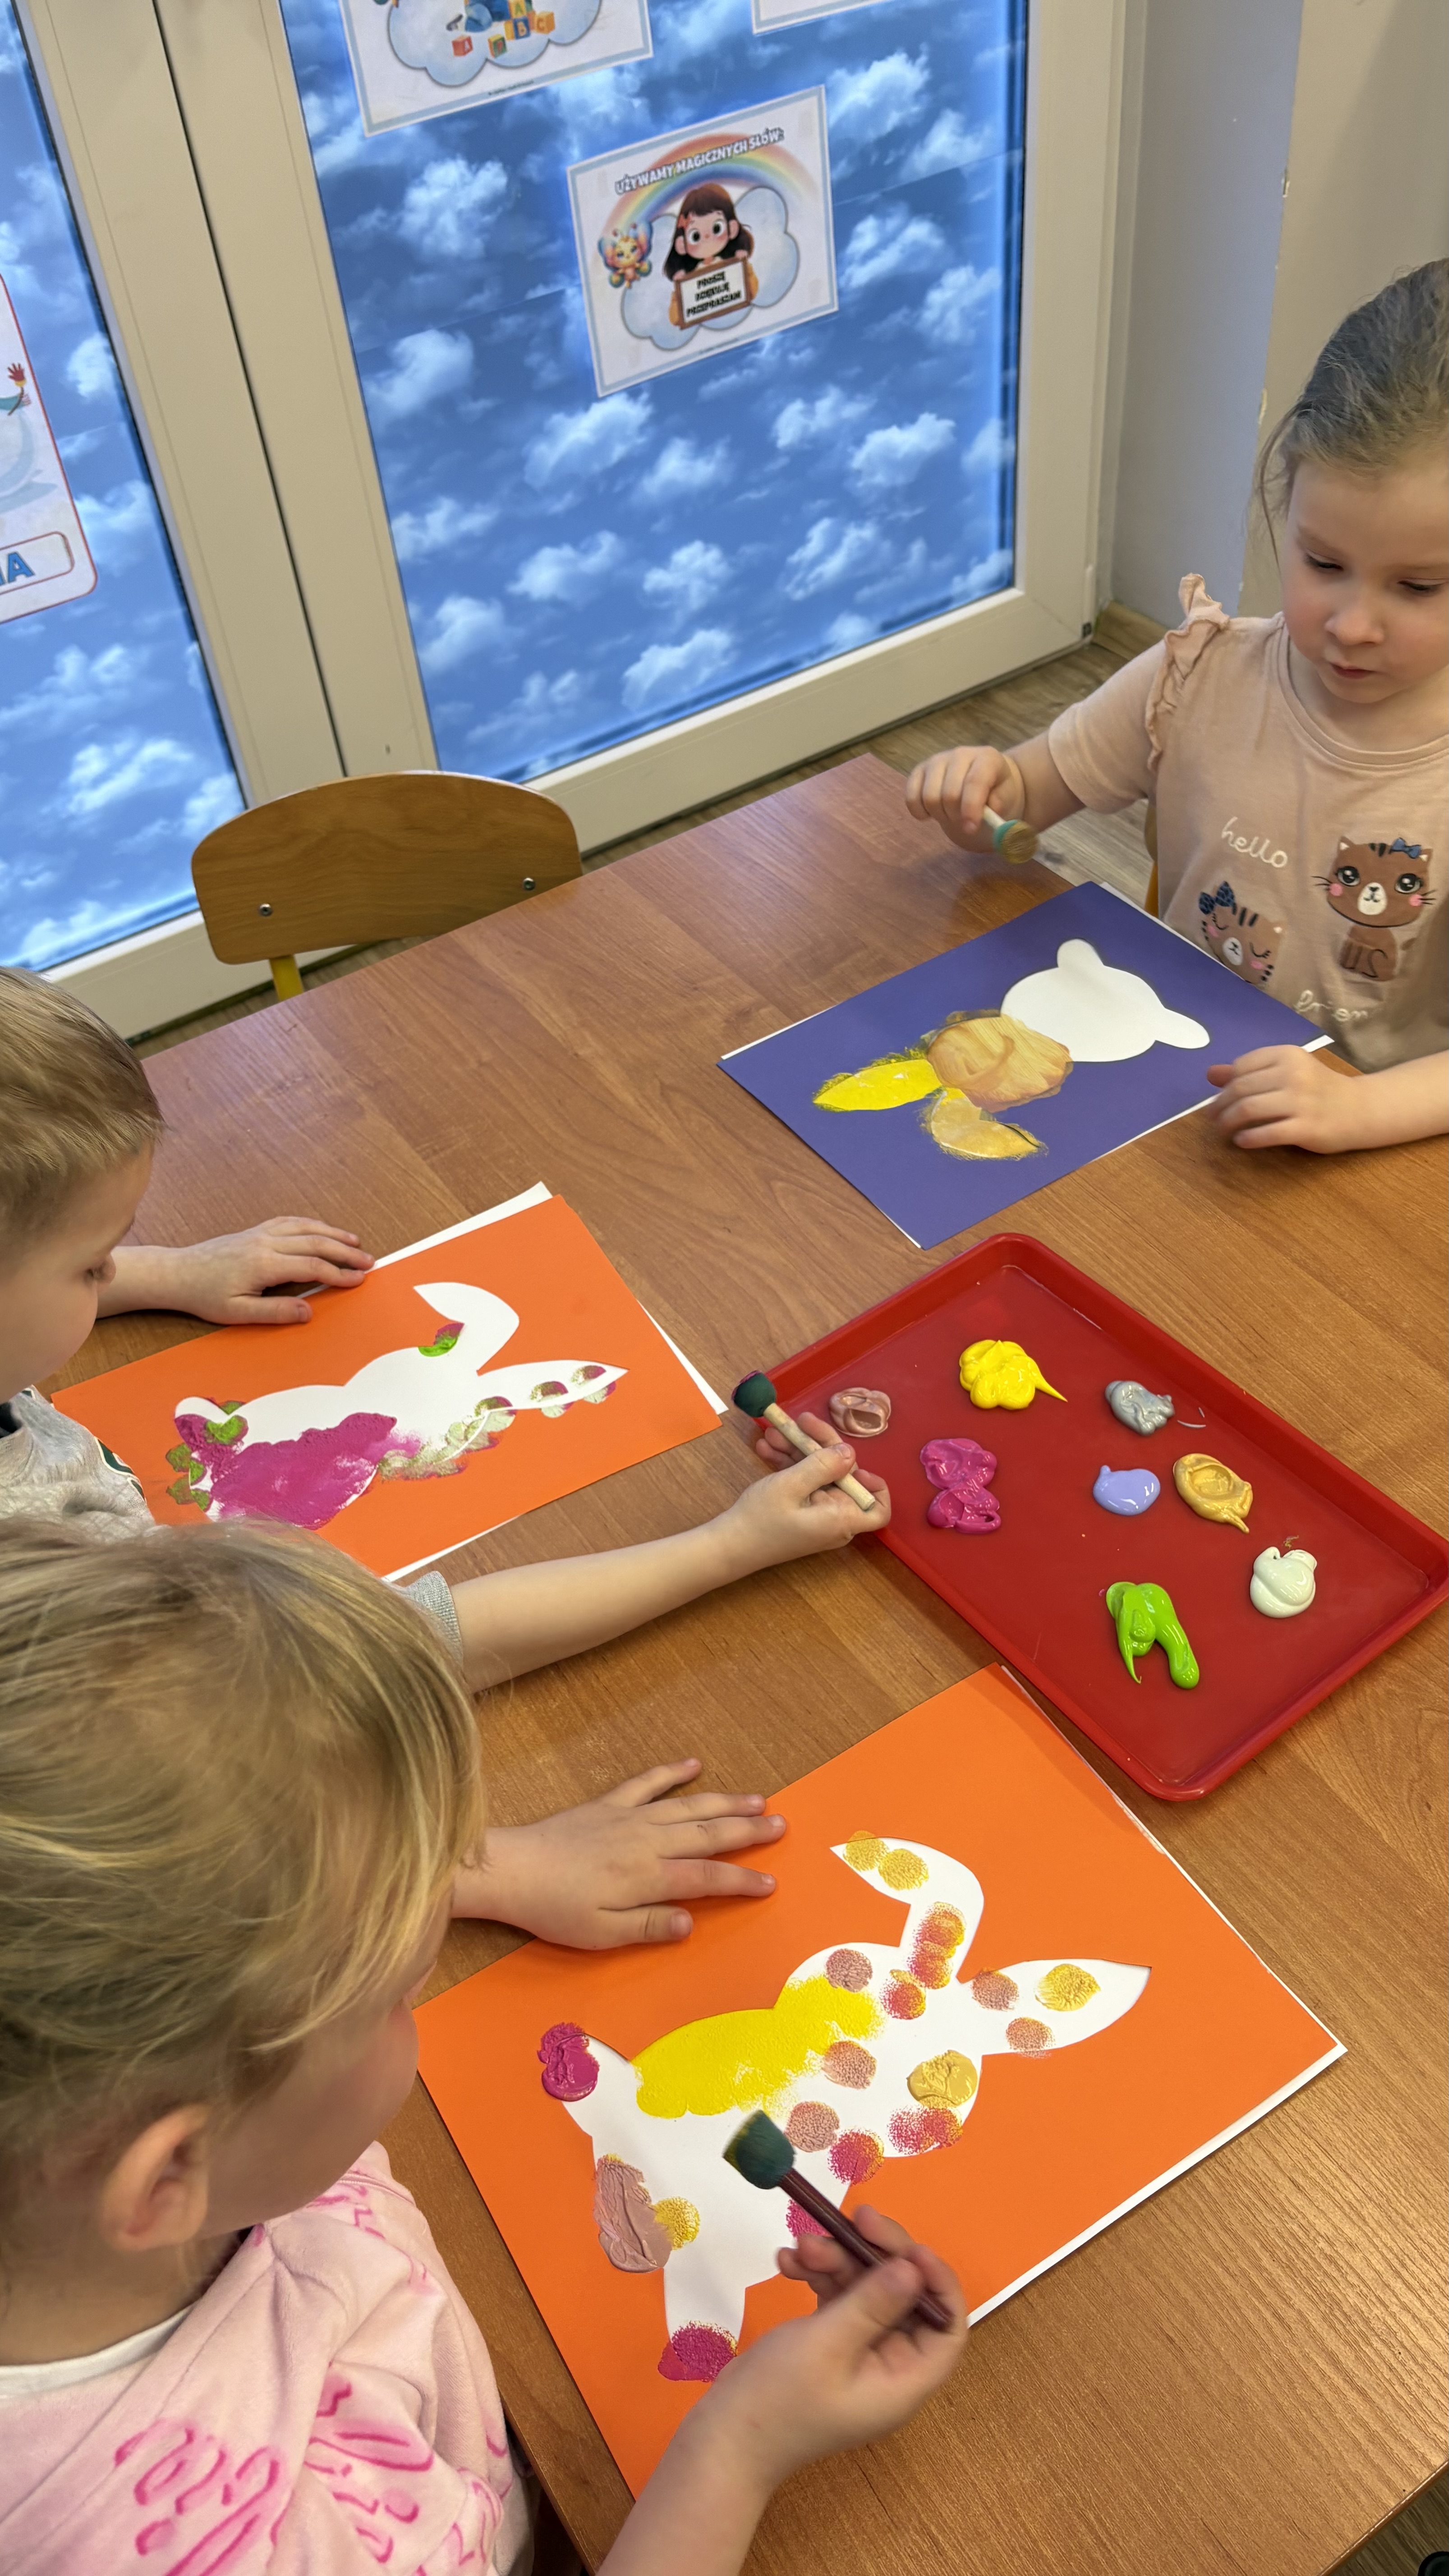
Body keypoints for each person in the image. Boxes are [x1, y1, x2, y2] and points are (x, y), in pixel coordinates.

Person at [0, 1519, 967, 2574]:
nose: (418, 1989)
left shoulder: (103, 2154)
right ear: (165, 2179)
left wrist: (473, 1882)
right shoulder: (204, 2542)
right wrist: (739, 2449)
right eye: (395, 1993)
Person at [0, 961, 892, 1940]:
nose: (108, 1272)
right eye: (93, 1263)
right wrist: (485, 1875)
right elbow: (196, 1863)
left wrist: (164, 1271)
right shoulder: (62, 1658)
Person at [906, 260, 1449, 1155]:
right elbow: (1024, 796)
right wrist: (980, 791)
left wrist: (1358, 1110)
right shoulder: (1196, 676)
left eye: (1418, 586)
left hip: (1376, 1147)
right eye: (1322, 563)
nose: (1353, 624)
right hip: (1169, 1096)